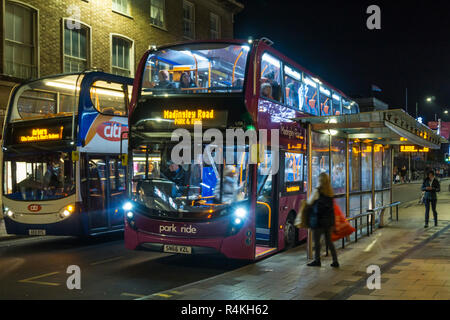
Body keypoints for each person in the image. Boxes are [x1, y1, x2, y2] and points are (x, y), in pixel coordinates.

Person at [306, 173, 339, 268]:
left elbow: (309, 202)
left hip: (318, 221)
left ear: (320, 181)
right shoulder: (330, 192)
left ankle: (317, 260)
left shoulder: (317, 191)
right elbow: (332, 209)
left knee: (317, 242)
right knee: (329, 242)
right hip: (328, 222)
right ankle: (335, 261)